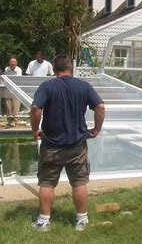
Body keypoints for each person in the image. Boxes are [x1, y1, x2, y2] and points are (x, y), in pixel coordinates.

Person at [30, 54, 105, 232]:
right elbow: (100, 107)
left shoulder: (47, 86)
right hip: (77, 146)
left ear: (54, 70)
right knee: (79, 183)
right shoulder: (84, 86)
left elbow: (35, 108)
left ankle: (43, 221)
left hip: (51, 145)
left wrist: (35, 129)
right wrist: (96, 129)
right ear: (70, 69)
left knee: (47, 183)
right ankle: (81, 220)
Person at [4, 57, 22, 127]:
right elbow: (6, 79)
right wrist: (9, 89)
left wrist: (13, 90)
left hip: (16, 90)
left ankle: (14, 121)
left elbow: (17, 81)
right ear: (9, 63)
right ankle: (9, 121)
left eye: (14, 62)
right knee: (8, 106)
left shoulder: (19, 70)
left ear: (16, 63)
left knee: (16, 106)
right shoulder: (6, 69)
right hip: (8, 89)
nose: (13, 63)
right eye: (11, 62)